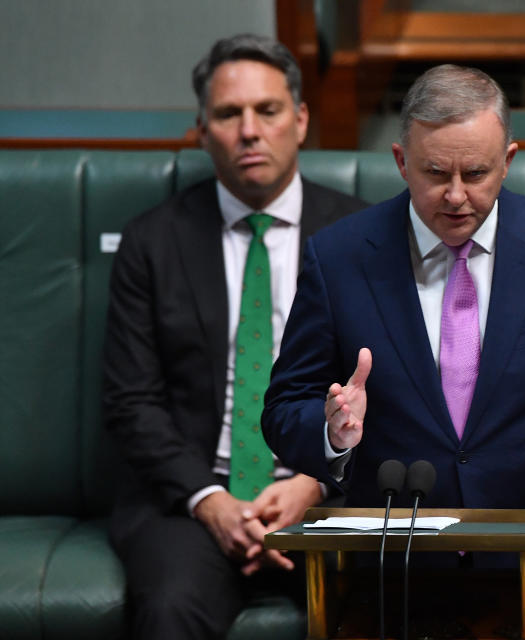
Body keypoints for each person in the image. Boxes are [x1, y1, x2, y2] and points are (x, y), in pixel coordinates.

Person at [261, 64, 525, 638]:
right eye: (434, 173)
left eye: (476, 173)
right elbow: (283, 408)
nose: (456, 196)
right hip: (392, 574)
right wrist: (331, 432)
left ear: (508, 159)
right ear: (402, 162)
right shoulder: (340, 256)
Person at [102, 33, 366, 639]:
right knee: (169, 608)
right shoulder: (153, 242)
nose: (249, 130)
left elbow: (398, 386)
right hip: (193, 500)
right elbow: (130, 401)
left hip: (327, 491)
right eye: (228, 114)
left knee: (388, 594)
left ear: (299, 120)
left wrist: (313, 482)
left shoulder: (362, 235)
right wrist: (212, 502)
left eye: (267, 111)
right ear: (202, 130)